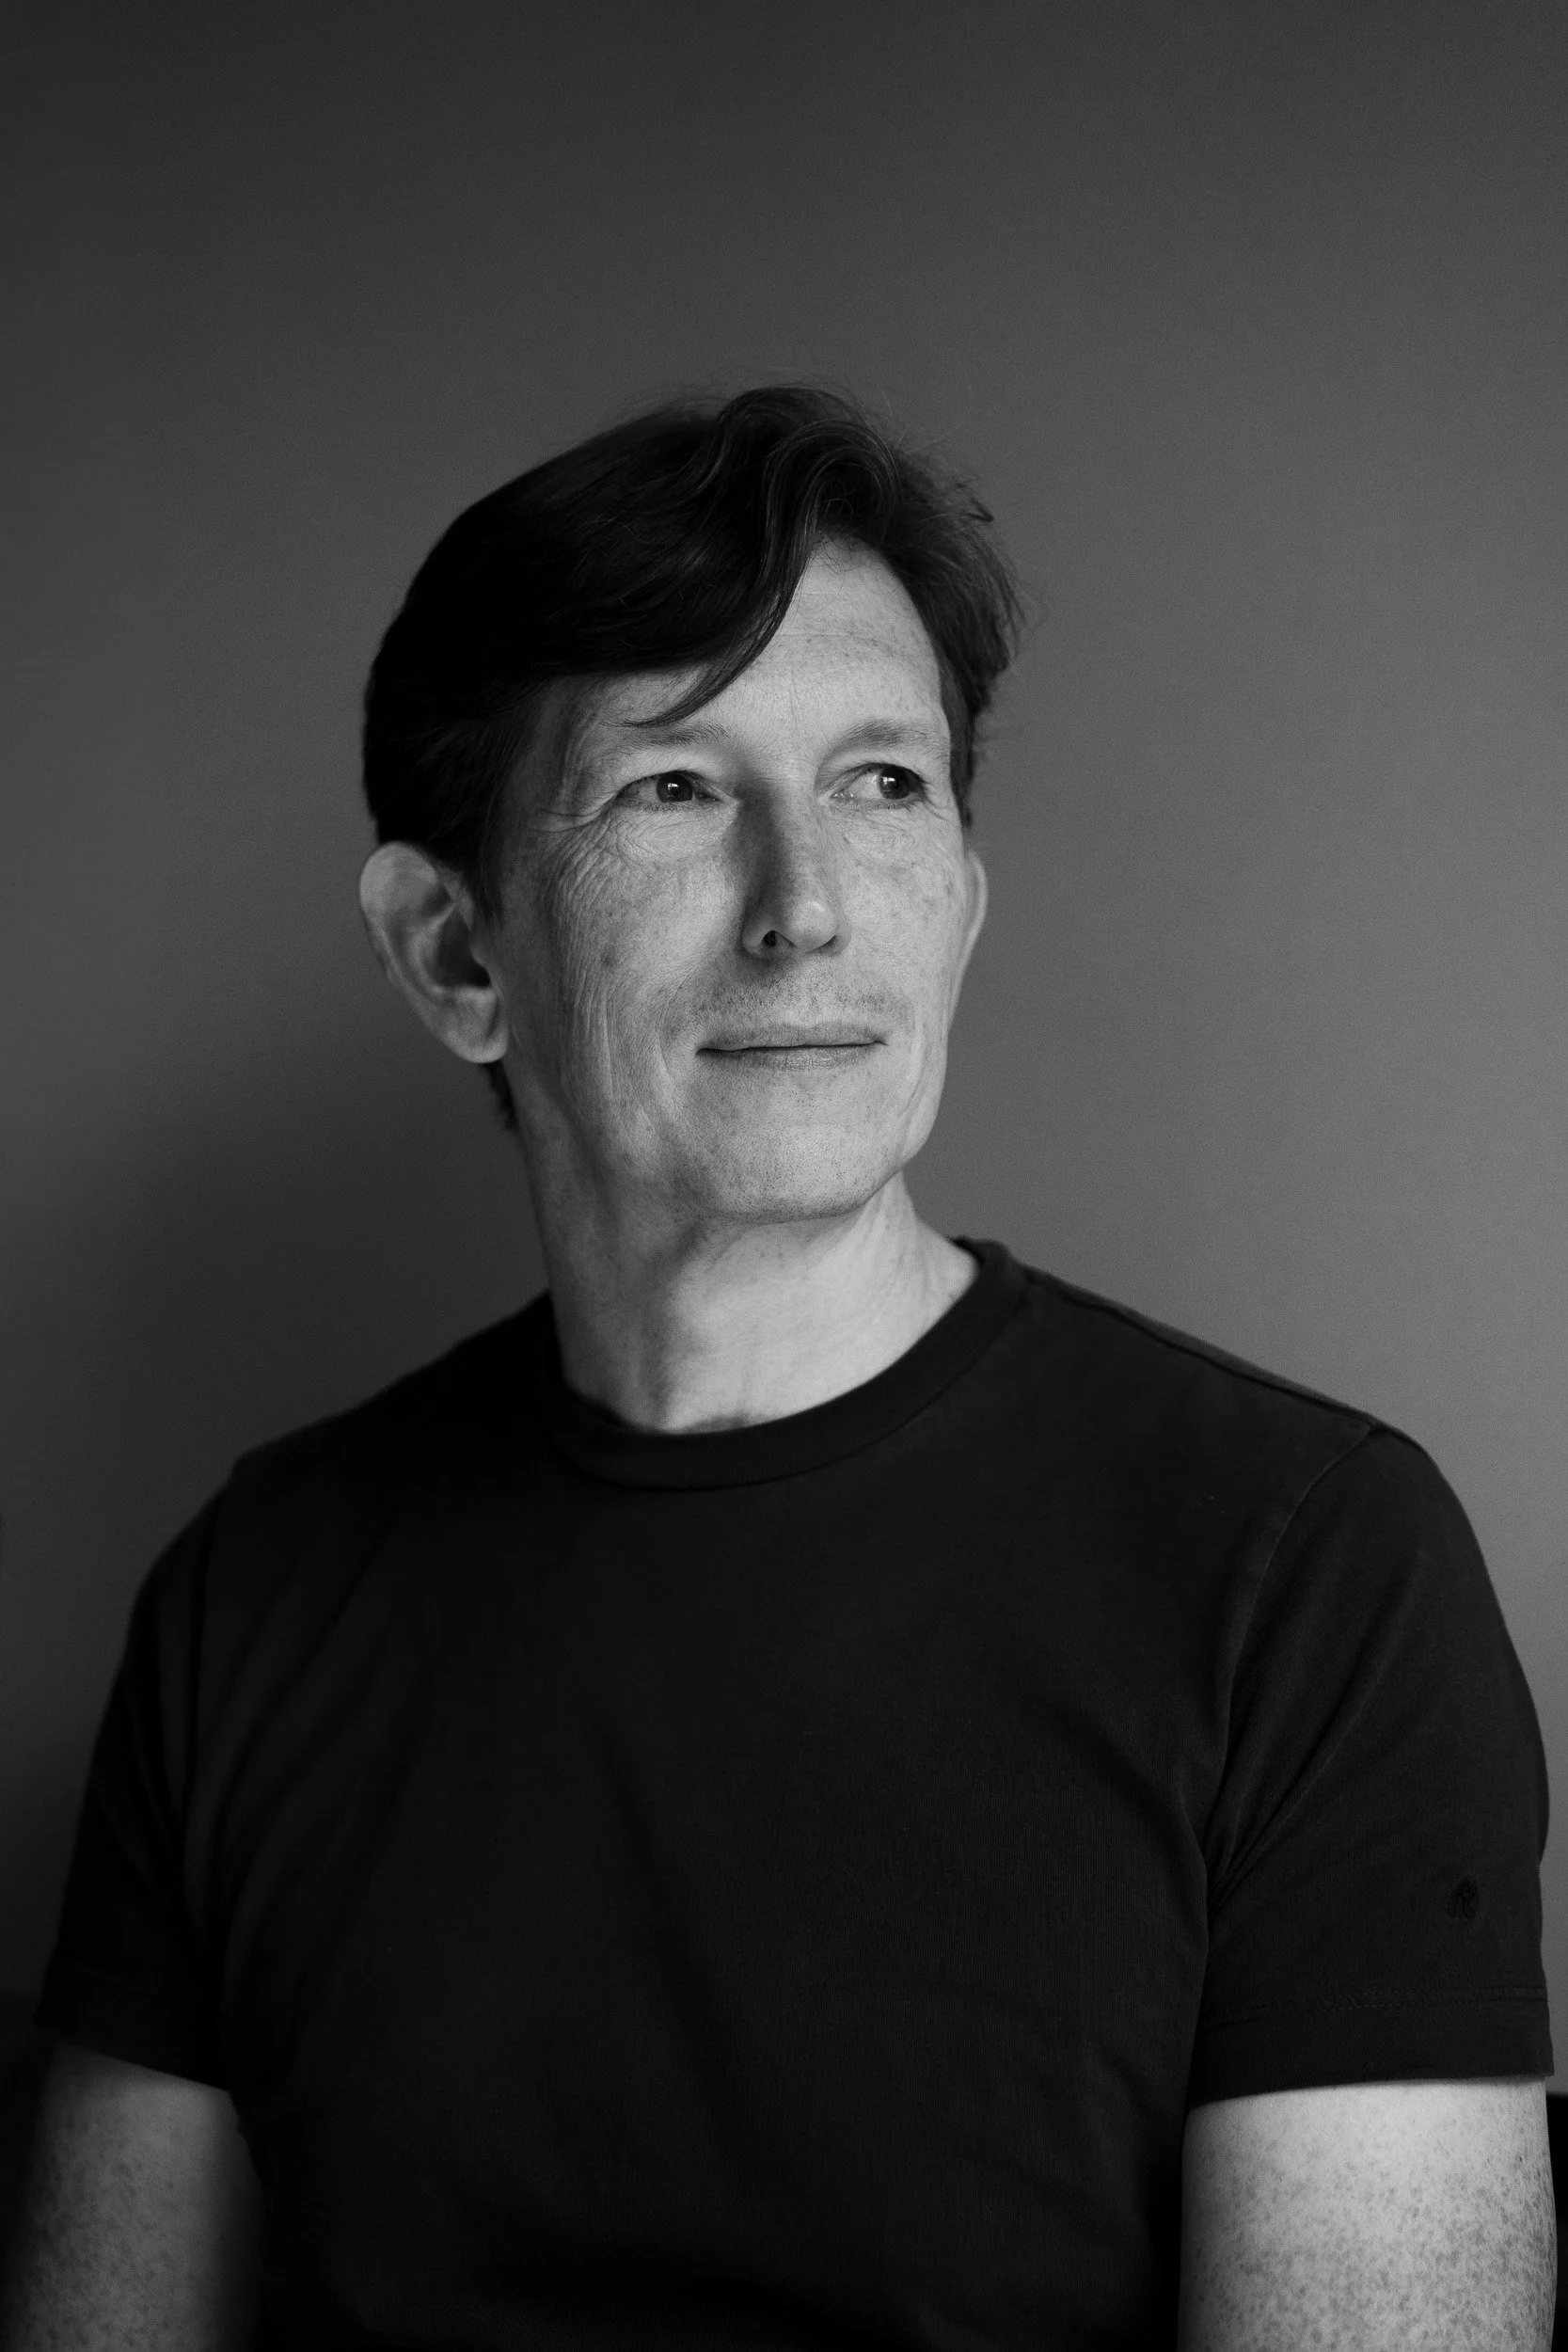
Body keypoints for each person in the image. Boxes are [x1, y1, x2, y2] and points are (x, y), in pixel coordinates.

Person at [1, 386, 1555, 2351]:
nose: (804, 903)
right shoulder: (255, 1596)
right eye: (671, 786)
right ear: (453, 952)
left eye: (882, 783)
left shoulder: (1309, 1572)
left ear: (962, 907)